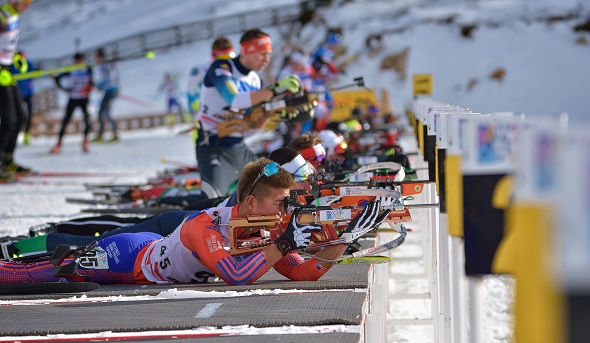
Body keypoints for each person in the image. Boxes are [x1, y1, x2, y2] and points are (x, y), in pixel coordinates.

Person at [0, 158, 388, 286]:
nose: (286, 211)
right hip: (130, 261)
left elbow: (308, 272)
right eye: (280, 201)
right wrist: (286, 242)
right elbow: (236, 276)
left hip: (150, 256)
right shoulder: (205, 224)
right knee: (39, 275)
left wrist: (344, 237)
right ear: (251, 201)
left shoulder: (264, 229)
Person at [1, 147, 317, 259]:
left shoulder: (274, 198)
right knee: (92, 243)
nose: (307, 185)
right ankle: (18, 247)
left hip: (182, 233)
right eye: (300, 177)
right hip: (172, 230)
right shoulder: (261, 199)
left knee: (106, 235)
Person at [196, 28, 302, 197]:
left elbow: (251, 127)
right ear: (247, 51)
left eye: (269, 54)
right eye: (262, 54)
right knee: (211, 201)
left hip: (239, 148)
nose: (267, 60)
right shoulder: (222, 68)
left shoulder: (256, 81)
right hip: (213, 147)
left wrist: (273, 114)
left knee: (270, 190)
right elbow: (234, 99)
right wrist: (274, 90)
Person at [0, 0, 33, 181]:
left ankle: (8, 160)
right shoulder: (2, 15)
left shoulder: (13, 16)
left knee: (20, 117)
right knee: (9, 120)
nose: (28, 5)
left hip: (6, 70)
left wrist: (15, 57)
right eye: (26, 1)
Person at [50, 52, 93, 154]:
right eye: (77, 60)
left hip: (84, 99)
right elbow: (58, 78)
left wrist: (89, 88)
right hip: (73, 98)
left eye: (81, 60)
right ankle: (58, 144)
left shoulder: (87, 69)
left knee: (87, 120)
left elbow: (91, 82)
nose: (79, 62)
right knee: (66, 121)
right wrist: (65, 89)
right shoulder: (71, 70)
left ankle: (85, 142)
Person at [187, 36, 234, 118]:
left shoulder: (236, 69)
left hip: (231, 114)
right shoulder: (201, 70)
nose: (224, 60)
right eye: (220, 57)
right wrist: (196, 113)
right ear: (213, 55)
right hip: (208, 115)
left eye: (229, 56)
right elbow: (191, 92)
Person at [92, 48, 120, 142]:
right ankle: (106, 133)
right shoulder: (102, 66)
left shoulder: (105, 65)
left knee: (104, 113)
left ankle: (109, 134)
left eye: (97, 57)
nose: (96, 59)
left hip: (111, 91)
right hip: (109, 90)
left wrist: (99, 85)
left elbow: (110, 79)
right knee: (103, 113)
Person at [10, 50, 35, 145]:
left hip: (28, 93)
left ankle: (26, 133)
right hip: (17, 94)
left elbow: (34, 73)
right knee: (18, 116)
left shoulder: (28, 64)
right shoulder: (13, 65)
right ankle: (16, 135)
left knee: (28, 114)